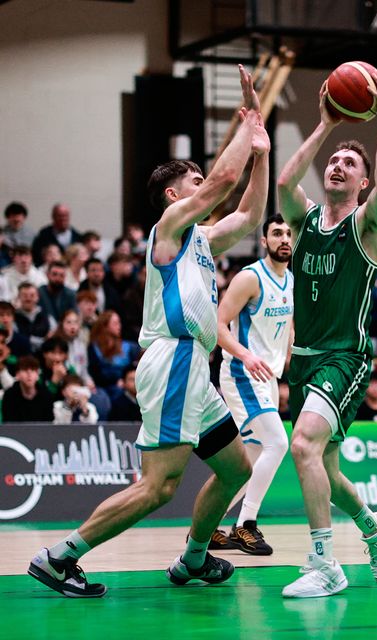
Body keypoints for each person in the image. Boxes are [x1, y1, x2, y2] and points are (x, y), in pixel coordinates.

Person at [28, 64, 269, 598]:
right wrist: (248, 123)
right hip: (176, 358)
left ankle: (194, 559)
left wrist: (263, 152)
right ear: (173, 197)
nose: (206, 186)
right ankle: (59, 557)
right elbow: (226, 183)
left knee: (235, 469)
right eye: (195, 182)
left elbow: (250, 213)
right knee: (159, 487)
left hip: (195, 370)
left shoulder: (202, 240)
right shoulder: (168, 230)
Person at [277, 67, 377, 598]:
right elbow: (283, 183)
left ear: (362, 183)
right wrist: (325, 126)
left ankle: (324, 562)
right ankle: (374, 527)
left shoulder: (366, 227)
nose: (336, 165)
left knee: (302, 444)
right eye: (333, 161)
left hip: (343, 359)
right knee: (325, 464)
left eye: (349, 163)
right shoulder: (303, 223)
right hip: (304, 359)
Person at [213, 213, 293, 555]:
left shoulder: (290, 280)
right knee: (278, 443)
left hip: (268, 377)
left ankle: (208, 527)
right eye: (277, 233)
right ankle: (246, 524)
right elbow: (216, 324)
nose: (284, 239)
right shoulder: (250, 278)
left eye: (288, 233)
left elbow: (287, 329)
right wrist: (245, 356)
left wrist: (290, 361)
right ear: (264, 241)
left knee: (250, 459)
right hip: (243, 374)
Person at [2, 355, 54, 422]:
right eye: (24, 369)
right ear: (17, 375)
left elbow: (49, 424)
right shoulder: (9, 395)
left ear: (37, 375)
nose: (29, 374)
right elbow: (9, 424)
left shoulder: (46, 395)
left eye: (33, 370)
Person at [38, 261, 77, 329]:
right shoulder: (39, 293)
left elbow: (74, 316)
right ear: (47, 275)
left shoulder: (71, 295)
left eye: (61, 275)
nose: (58, 278)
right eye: (54, 274)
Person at [14, 282, 50, 352]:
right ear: (18, 297)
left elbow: (52, 337)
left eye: (32, 295)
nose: (28, 299)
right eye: (24, 295)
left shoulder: (47, 316)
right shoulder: (13, 318)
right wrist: (41, 341)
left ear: (38, 297)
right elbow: (16, 338)